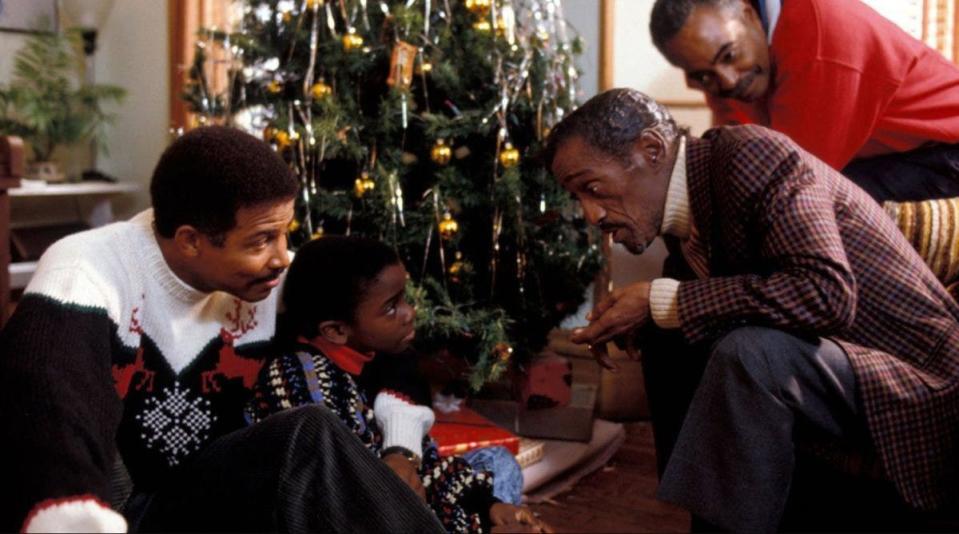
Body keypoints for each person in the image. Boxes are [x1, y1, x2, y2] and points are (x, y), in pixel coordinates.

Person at [542, 88, 959, 531]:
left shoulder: (752, 155)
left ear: (652, 149)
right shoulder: (685, 220)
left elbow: (826, 293)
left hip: (920, 374)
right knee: (667, 335)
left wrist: (664, 300)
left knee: (750, 353)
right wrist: (647, 316)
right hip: (842, 364)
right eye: (577, 198)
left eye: (592, 188)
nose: (590, 214)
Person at [0, 126, 445, 533]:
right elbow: (51, 409)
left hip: (211, 496)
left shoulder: (271, 279)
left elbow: (387, 335)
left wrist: (401, 447)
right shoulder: (88, 270)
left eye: (284, 234)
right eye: (261, 240)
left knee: (308, 433)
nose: (282, 257)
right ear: (191, 240)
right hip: (121, 511)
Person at [247, 235, 551, 534]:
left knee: (498, 462)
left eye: (404, 298)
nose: (409, 313)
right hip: (356, 518)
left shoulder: (369, 355)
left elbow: (420, 466)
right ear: (337, 330)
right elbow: (362, 510)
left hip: (390, 502)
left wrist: (488, 507)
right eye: (391, 307)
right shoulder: (306, 384)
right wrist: (475, 527)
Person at [649, 0, 959, 202]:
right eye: (702, 76)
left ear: (747, 13)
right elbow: (732, 150)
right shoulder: (719, 63)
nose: (728, 81)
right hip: (884, 153)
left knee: (806, 209)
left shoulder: (822, 40)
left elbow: (784, 177)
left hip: (944, 150)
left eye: (730, 56)